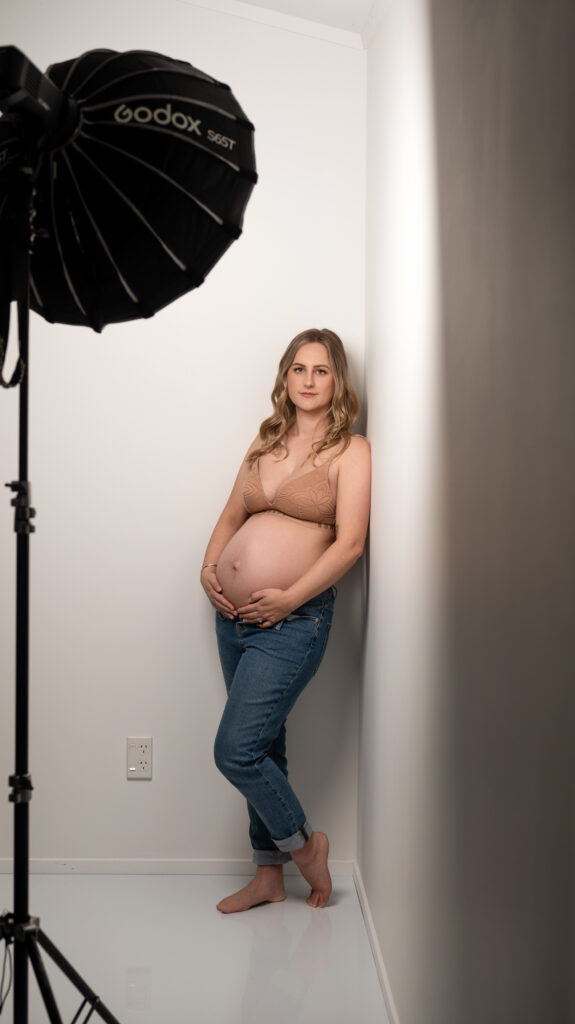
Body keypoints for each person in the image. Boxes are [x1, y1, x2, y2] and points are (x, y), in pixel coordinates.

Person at [200, 328, 371, 914]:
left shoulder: (352, 450)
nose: (308, 380)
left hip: (293, 623)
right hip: (234, 619)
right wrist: (208, 566)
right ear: (285, 377)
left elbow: (349, 545)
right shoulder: (267, 437)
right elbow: (231, 513)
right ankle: (267, 876)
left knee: (235, 751)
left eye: (320, 371)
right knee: (264, 747)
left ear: (337, 380)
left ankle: (305, 848)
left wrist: (288, 599)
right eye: (298, 369)